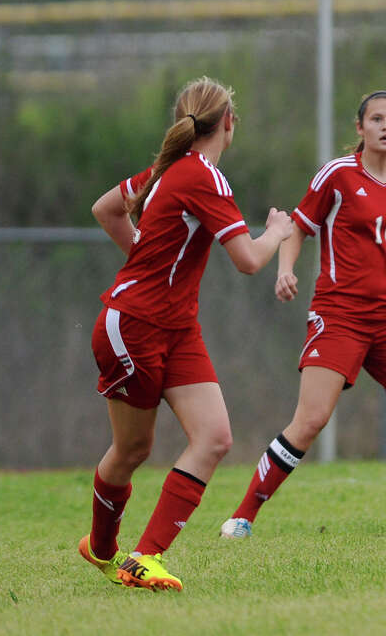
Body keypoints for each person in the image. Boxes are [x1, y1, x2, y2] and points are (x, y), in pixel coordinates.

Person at [80, 77, 295, 592]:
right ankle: (103, 548)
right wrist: (277, 231)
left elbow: (106, 209)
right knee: (132, 450)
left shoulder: (168, 170)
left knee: (215, 437)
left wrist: (142, 256)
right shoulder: (201, 176)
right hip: (133, 324)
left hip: (175, 328)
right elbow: (248, 260)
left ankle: (143, 557)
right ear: (228, 123)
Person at [221, 90, 386, 539]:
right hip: (341, 315)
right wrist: (286, 270)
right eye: (377, 119)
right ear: (360, 128)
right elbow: (297, 226)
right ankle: (241, 518)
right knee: (310, 420)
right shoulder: (338, 175)